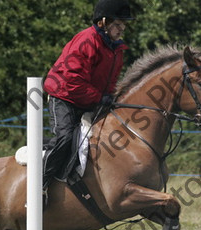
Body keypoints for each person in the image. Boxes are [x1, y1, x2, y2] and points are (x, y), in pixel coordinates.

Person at [42, 0, 134, 192]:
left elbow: (110, 82)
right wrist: (100, 97)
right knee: (65, 138)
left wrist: (111, 97)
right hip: (64, 97)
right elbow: (72, 81)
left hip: (89, 100)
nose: (122, 29)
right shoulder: (86, 40)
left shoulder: (116, 49)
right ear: (102, 22)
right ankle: (40, 184)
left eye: (123, 25)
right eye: (117, 24)